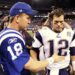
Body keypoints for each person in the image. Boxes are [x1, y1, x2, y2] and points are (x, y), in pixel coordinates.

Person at [0, 2, 64, 75]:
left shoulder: (9, 33)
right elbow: (31, 66)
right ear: (17, 18)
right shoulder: (11, 38)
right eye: (27, 18)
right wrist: (52, 59)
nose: (29, 22)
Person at [31, 8, 75, 75]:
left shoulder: (70, 33)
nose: (59, 24)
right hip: (50, 69)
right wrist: (36, 62)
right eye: (56, 22)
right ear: (51, 21)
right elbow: (33, 49)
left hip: (65, 69)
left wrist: (74, 67)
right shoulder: (43, 33)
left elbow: (73, 52)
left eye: (61, 21)